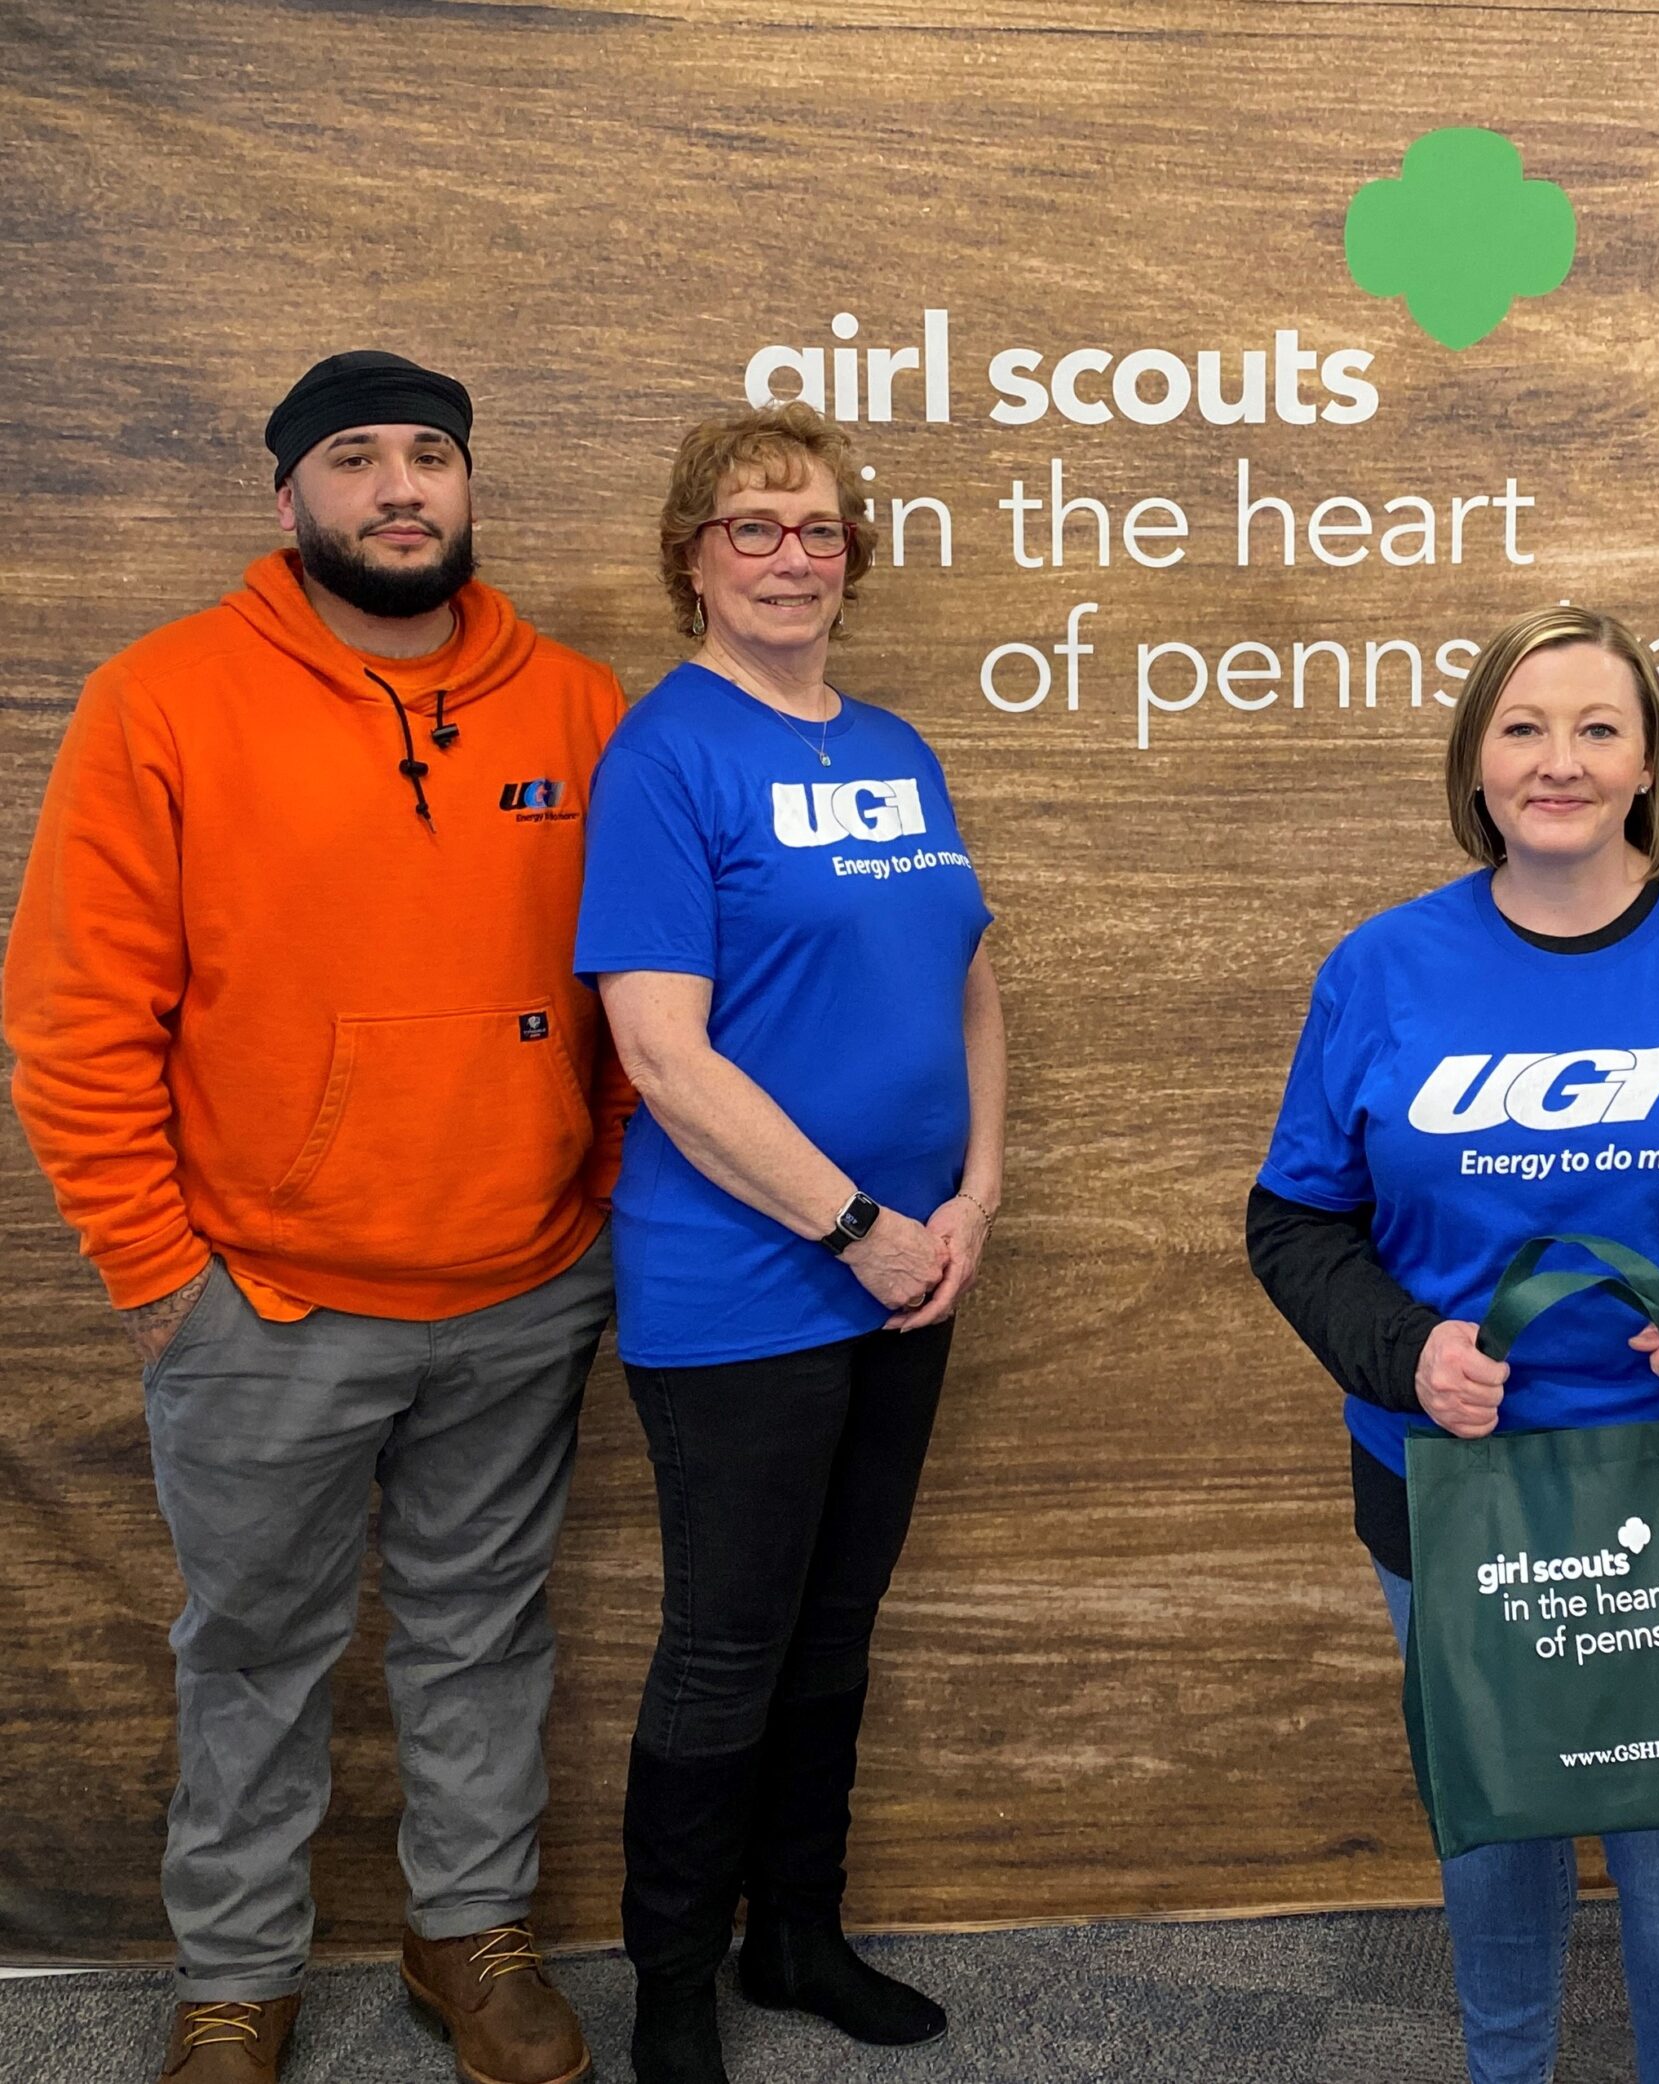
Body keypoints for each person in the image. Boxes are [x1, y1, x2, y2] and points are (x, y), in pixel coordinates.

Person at [3, 351, 627, 2084]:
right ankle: (234, 1976)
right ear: (291, 499)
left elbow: (642, 995)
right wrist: (156, 1275)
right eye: (355, 460)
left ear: (473, 491)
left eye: (431, 455)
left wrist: (590, 1206)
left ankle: (469, 1932)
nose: (400, 488)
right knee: (254, 1653)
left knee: (485, 1632)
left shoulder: (579, 710)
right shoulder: (166, 699)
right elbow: (71, 1014)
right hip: (260, 1305)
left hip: (522, 1290)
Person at [1248, 603, 1659, 2084]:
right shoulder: (1382, 968)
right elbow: (1296, 1223)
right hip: (1454, 1481)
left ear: (1648, 765)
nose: (1559, 760)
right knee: (1497, 1833)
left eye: (1597, 728)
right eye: (1524, 727)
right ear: (1477, 761)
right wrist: (1404, 1349)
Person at [575, 401, 1005, 2084]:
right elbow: (663, 1053)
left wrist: (974, 1198)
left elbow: (970, 977)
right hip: (746, 1274)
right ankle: (675, 1982)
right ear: (692, 559)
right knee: (730, 1638)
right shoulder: (665, 755)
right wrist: (856, 1227)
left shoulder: (896, 747)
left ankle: (797, 1933)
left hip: (916, 1263)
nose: (789, 557)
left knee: (841, 1622)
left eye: (818, 528)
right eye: (752, 526)